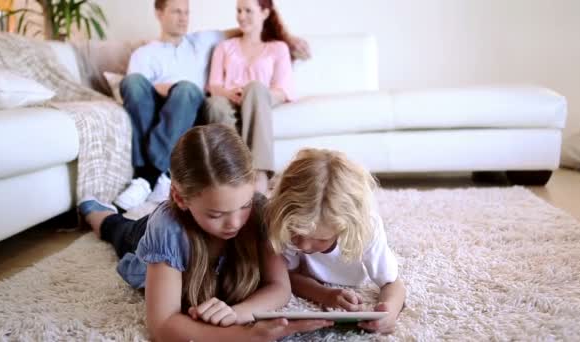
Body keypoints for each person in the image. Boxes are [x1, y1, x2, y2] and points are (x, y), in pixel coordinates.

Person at [79, 124, 332, 340]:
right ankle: (97, 212)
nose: (234, 223)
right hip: (148, 232)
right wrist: (237, 336)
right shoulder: (166, 229)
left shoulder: (259, 211)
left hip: (188, 224)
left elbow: (279, 286)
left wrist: (238, 314)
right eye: (216, 214)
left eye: (243, 206)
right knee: (118, 231)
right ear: (180, 197)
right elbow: (161, 325)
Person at [115, 0, 310, 209]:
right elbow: (136, 95)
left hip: (188, 105)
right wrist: (168, 88)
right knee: (133, 82)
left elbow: (247, 28)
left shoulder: (202, 41)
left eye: (186, 12)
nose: (183, 18)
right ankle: (154, 176)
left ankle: (146, 178)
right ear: (159, 13)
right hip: (156, 105)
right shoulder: (143, 54)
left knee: (188, 90)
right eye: (176, 12)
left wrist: (285, 37)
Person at [266, 148, 407, 335]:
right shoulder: (289, 221)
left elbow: (393, 284)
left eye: (321, 239)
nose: (304, 246)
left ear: (346, 228)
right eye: (297, 234)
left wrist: (389, 312)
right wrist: (326, 295)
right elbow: (289, 276)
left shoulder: (366, 229)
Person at [204, 0, 295, 193]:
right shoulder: (224, 47)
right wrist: (230, 93)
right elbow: (214, 85)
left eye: (248, 11)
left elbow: (282, 89)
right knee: (215, 105)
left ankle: (258, 174)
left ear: (264, 13)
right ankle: (231, 176)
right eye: (238, 11)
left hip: (260, 98)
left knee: (254, 88)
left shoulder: (278, 48)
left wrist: (252, 93)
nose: (241, 16)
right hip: (228, 100)